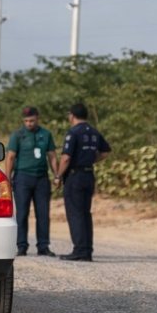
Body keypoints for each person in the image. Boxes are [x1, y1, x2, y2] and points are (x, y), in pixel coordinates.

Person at [55, 102, 111, 262]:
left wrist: (58, 176)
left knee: (75, 213)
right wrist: (91, 160)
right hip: (88, 175)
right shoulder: (93, 132)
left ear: (72, 115)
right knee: (86, 213)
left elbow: (66, 158)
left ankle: (79, 250)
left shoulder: (73, 132)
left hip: (75, 177)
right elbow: (106, 151)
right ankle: (87, 250)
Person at [5, 106, 58, 257]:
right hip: (22, 178)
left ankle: (43, 246)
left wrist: (56, 175)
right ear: (23, 121)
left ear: (37, 118)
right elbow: (10, 157)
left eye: (32, 120)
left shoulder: (45, 134)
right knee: (22, 213)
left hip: (41, 178)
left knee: (43, 213)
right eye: (27, 121)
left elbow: (52, 156)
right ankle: (21, 245)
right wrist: (7, 179)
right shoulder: (18, 135)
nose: (29, 123)